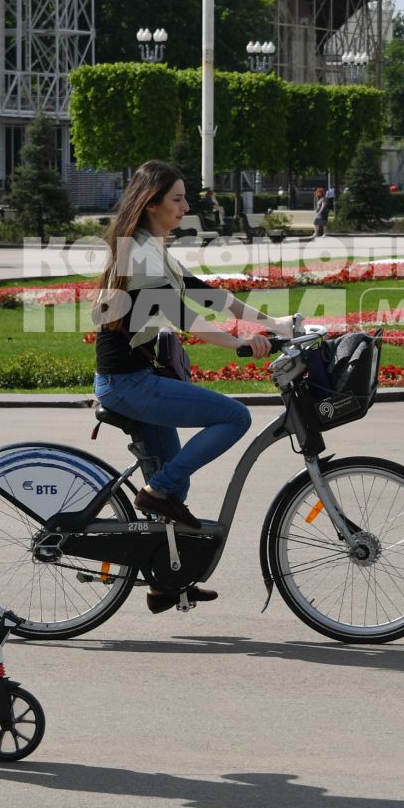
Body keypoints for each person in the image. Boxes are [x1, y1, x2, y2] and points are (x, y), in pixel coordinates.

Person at [93, 161, 293, 612]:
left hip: (136, 380)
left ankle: (165, 581)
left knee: (174, 492)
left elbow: (204, 293)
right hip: (129, 384)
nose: (186, 206)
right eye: (178, 199)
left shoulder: (151, 247)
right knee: (233, 416)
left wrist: (270, 321)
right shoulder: (140, 254)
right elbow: (184, 316)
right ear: (153, 204)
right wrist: (239, 341)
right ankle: (155, 491)